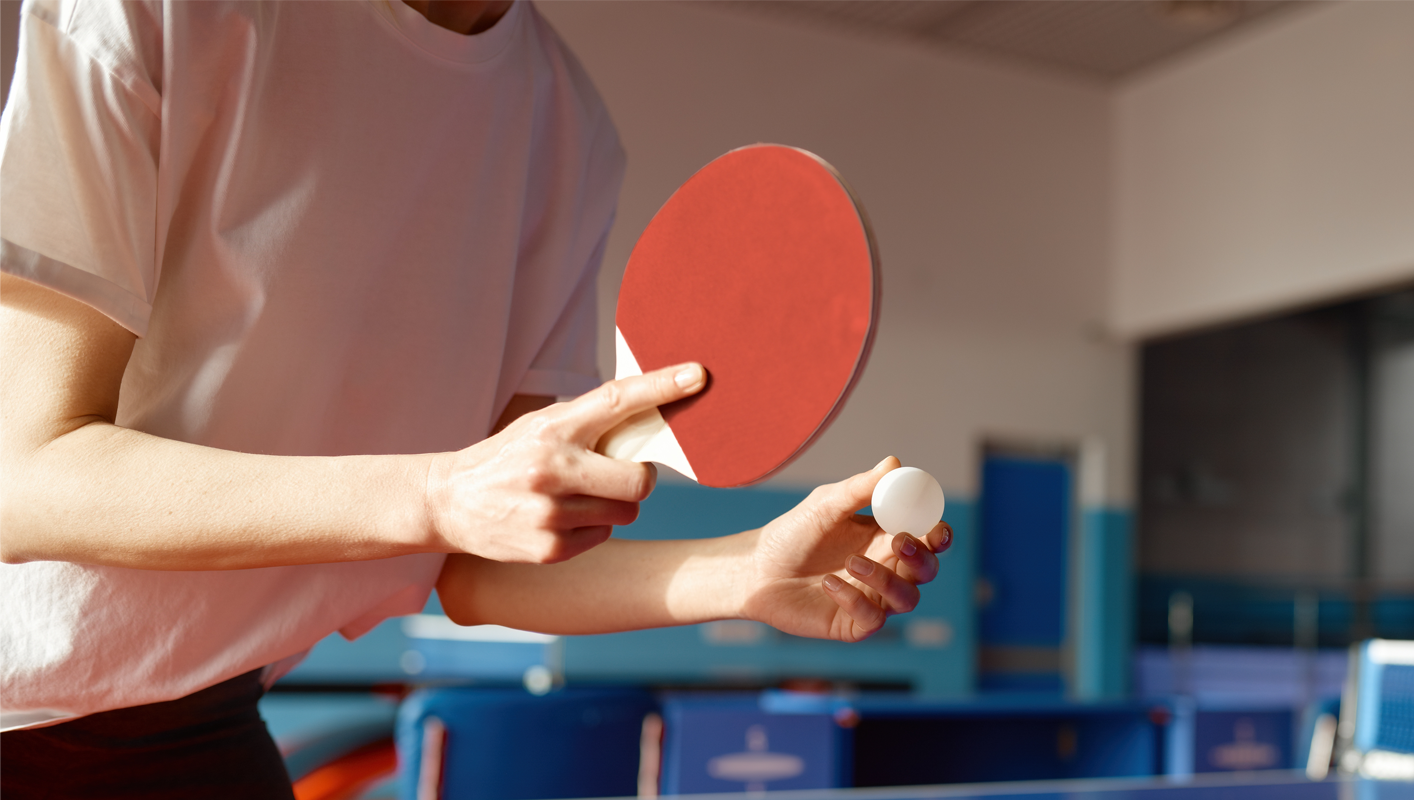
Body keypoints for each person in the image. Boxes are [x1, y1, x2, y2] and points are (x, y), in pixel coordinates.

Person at [0, 0, 950, 795]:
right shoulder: (158, 12)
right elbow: (22, 478)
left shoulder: (565, 130)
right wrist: (436, 492)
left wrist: (741, 572)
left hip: (204, 726)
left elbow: (477, 566)